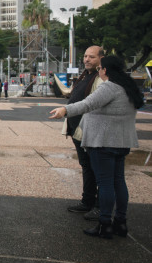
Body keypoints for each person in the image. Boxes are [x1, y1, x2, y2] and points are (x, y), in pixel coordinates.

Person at [49, 56, 143, 239]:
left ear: (105, 70)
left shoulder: (109, 87)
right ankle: (120, 223)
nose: (99, 71)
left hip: (104, 142)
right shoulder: (128, 87)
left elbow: (88, 104)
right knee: (118, 182)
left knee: (105, 184)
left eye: (100, 68)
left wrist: (65, 110)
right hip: (121, 142)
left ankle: (105, 224)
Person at [62, 46, 104, 220]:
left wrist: (65, 110)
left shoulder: (101, 78)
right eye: (86, 56)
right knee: (87, 166)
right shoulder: (86, 76)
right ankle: (87, 201)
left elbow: (93, 104)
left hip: (90, 130)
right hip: (78, 130)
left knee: (98, 169)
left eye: (92, 57)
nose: (87, 59)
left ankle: (100, 206)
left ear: (101, 58)